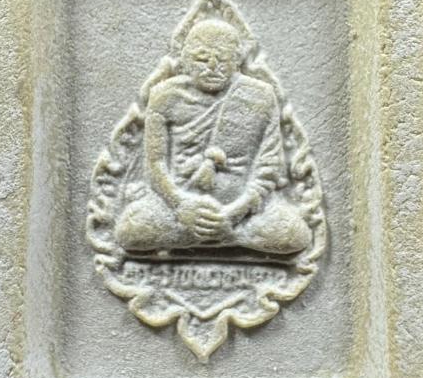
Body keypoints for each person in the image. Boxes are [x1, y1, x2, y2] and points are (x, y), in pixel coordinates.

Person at [115, 19, 311, 254]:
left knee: (295, 234)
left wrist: (235, 213)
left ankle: (226, 234)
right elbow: (155, 165)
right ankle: (225, 238)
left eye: (223, 58)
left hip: (241, 211)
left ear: (237, 60)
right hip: (177, 208)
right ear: (185, 61)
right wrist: (181, 205)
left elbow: (269, 167)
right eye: (201, 58)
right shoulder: (165, 95)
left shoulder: (260, 95)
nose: (212, 66)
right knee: (129, 230)